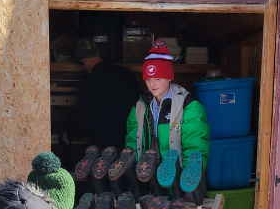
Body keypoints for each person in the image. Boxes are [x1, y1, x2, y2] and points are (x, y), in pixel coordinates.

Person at [125, 39, 210, 169]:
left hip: (178, 183)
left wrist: (188, 183)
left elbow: (195, 148)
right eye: (148, 79)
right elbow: (132, 144)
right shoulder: (139, 106)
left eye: (158, 79)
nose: (152, 84)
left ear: (169, 77)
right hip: (148, 182)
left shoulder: (189, 106)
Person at [67, 37, 142, 150]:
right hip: (133, 142)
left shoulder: (90, 82)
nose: (82, 68)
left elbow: (83, 118)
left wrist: (69, 136)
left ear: (82, 60)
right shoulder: (125, 73)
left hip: (106, 146)